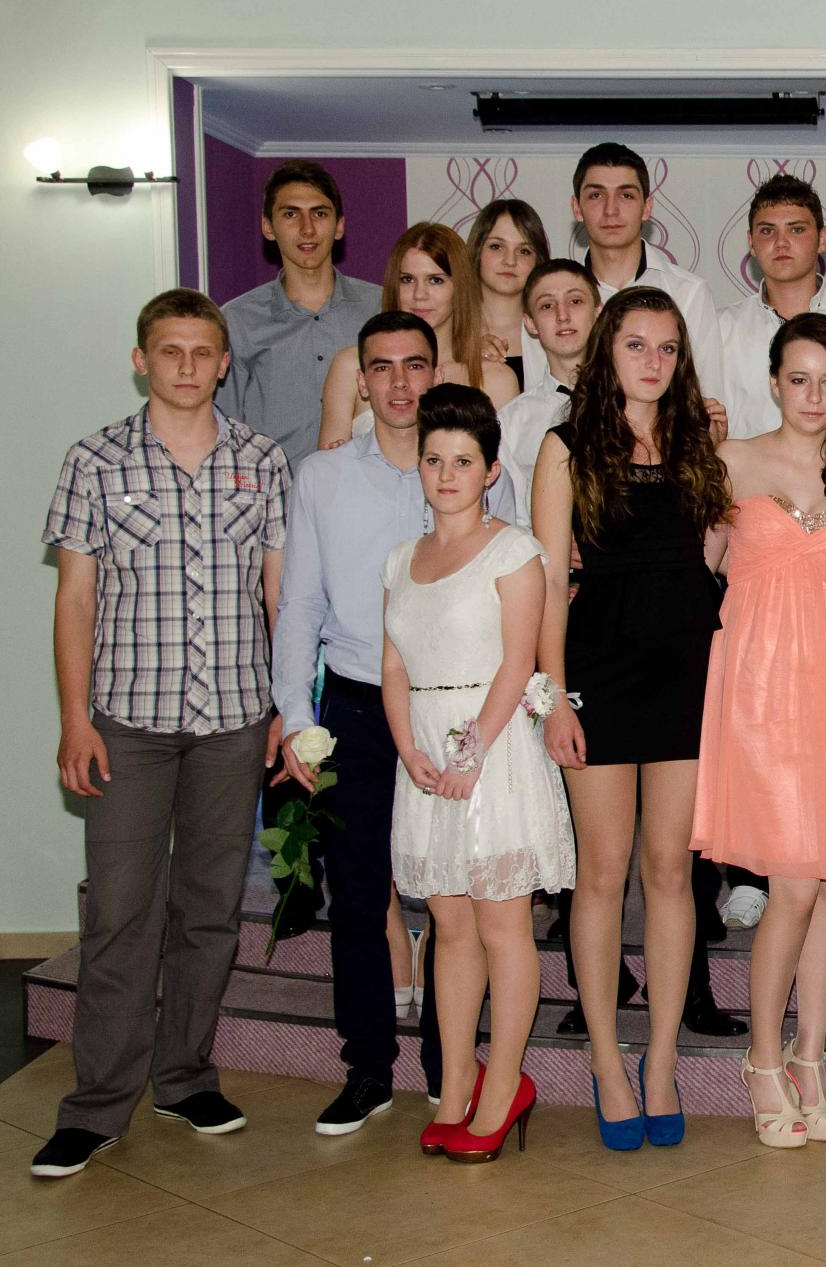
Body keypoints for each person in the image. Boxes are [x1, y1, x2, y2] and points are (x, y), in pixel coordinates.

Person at [32, 291, 289, 1179]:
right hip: (126, 723)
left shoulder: (262, 460)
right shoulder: (94, 460)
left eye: (202, 351)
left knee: (210, 910)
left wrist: (284, 708)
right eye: (169, 350)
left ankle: (184, 1079)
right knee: (119, 914)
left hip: (234, 720)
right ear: (141, 359)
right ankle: (96, 1106)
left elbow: (279, 596)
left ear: (224, 362)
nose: (186, 365)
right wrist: (74, 718)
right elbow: (74, 598)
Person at [276, 311, 509, 1135]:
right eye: (382, 367)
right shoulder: (322, 477)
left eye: (415, 364)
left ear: (436, 371)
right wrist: (295, 715)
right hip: (355, 703)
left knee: (458, 899)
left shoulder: (471, 466)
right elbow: (299, 603)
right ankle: (368, 1067)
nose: (400, 382)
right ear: (361, 379)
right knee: (358, 895)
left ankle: (454, 1069)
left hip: (452, 712)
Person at [532, 286, 728, 1150]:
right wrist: (552, 696)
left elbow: (711, 554)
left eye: (668, 348)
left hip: (686, 669)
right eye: (637, 344)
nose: (653, 361)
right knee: (602, 874)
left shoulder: (698, 442)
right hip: (600, 672)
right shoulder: (564, 447)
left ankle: (661, 1061)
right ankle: (608, 1061)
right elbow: (548, 580)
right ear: (606, 350)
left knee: (672, 873)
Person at [693, 314, 826, 1147]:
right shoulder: (731, 463)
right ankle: (763, 1059)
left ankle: (811, 1057)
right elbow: (698, 569)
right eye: (799, 379)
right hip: (761, 695)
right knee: (796, 886)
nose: (814, 396)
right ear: (773, 380)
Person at [381, 385, 574, 1161]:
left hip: (491, 755)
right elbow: (393, 665)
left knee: (500, 926)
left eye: (463, 461)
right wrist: (410, 749)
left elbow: (519, 661)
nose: (447, 474)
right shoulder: (401, 559)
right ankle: (457, 1081)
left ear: (491, 470)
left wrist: (469, 754)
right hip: (426, 755)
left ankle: (506, 1085)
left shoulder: (514, 550)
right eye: (434, 459)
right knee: (450, 925)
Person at [219, 160, 381, 465]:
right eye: (291, 214)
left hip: (366, 487)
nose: (307, 229)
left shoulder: (381, 308)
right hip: (273, 490)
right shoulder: (237, 321)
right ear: (268, 227)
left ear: (339, 226)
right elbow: (223, 427)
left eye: (319, 213)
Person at [318, 223, 520, 446]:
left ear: (460, 287)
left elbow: (501, 465)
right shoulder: (350, 366)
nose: (419, 295)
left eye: (435, 280)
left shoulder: (495, 379)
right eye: (407, 279)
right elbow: (328, 464)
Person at [571, 141, 725, 405]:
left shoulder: (688, 293)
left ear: (647, 207)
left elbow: (706, 400)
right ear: (577, 207)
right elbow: (544, 390)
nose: (611, 210)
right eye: (596, 195)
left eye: (626, 195)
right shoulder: (556, 297)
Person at [719, 173, 826, 441]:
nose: (781, 242)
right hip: (741, 468)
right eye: (767, 231)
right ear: (751, 242)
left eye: (796, 229)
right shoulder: (720, 329)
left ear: (822, 239)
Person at [498, 258, 600, 520]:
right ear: (531, 323)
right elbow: (513, 516)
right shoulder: (511, 422)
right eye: (547, 306)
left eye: (575, 301)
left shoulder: (636, 403)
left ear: (598, 312)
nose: (562, 315)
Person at [467, 199, 552, 390]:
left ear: (538, 260)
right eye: (497, 246)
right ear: (477, 250)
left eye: (524, 251)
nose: (510, 260)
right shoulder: (452, 329)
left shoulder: (553, 330)